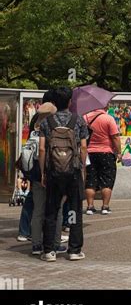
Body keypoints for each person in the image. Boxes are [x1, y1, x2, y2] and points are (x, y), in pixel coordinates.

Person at [39, 86, 88, 262]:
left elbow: (42, 149)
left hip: (53, 172)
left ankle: (49, 251)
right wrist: (82, 168)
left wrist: (43, 172)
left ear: (54, 102)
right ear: (69, 102)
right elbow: (83, 147)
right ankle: (74, 250)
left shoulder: (46, 122)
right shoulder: (79, 121)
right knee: (74, 210)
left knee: (51, 210)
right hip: (73, 171)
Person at [29, 98, 67, 256]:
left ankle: (36, 245)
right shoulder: (54, 129)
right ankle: (55, 244)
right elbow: (43, 151)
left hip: (36, 175)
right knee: (57, 210)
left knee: (38, 210)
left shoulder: (33, 129)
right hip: (52, 173)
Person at [84, 106, 121, 215]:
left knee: (90, 180)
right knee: (107, 179)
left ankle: (90, 206)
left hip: (89, 152)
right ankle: (105, 206)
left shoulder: (85, 118)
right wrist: (119, 152)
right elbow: (115, 137)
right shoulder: (108, 119)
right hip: (106, 152)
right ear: (105, 107)